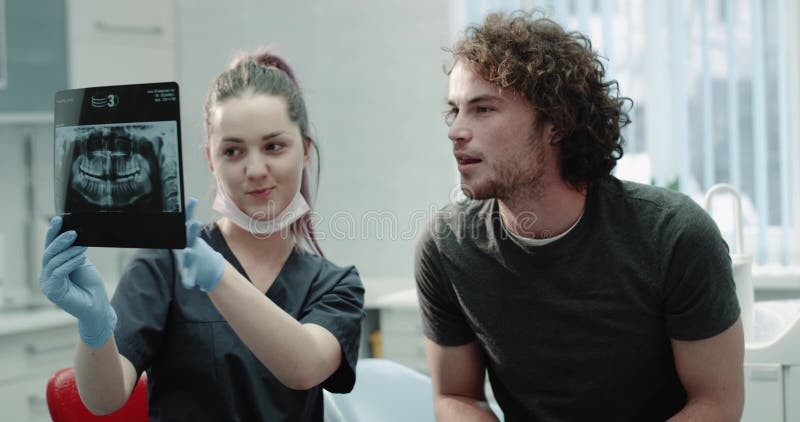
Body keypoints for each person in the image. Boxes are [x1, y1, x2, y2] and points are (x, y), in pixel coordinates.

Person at [414, 10, 744, 422]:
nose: (456, 130)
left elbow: (717, 403)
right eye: (454, 111)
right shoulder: (448, 247)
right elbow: (456, 396)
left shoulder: (674, 236)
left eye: (483, 109)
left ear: (555, 124)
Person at [39, 50, 365, 421]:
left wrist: (218, 278)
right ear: (211, 159)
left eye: (274, 146)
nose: (256, 169)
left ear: (304, 151)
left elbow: (305, 365)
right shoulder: (164, 265)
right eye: (233, 151)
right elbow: (104, 400)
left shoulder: (335, 285)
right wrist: (94, 328)